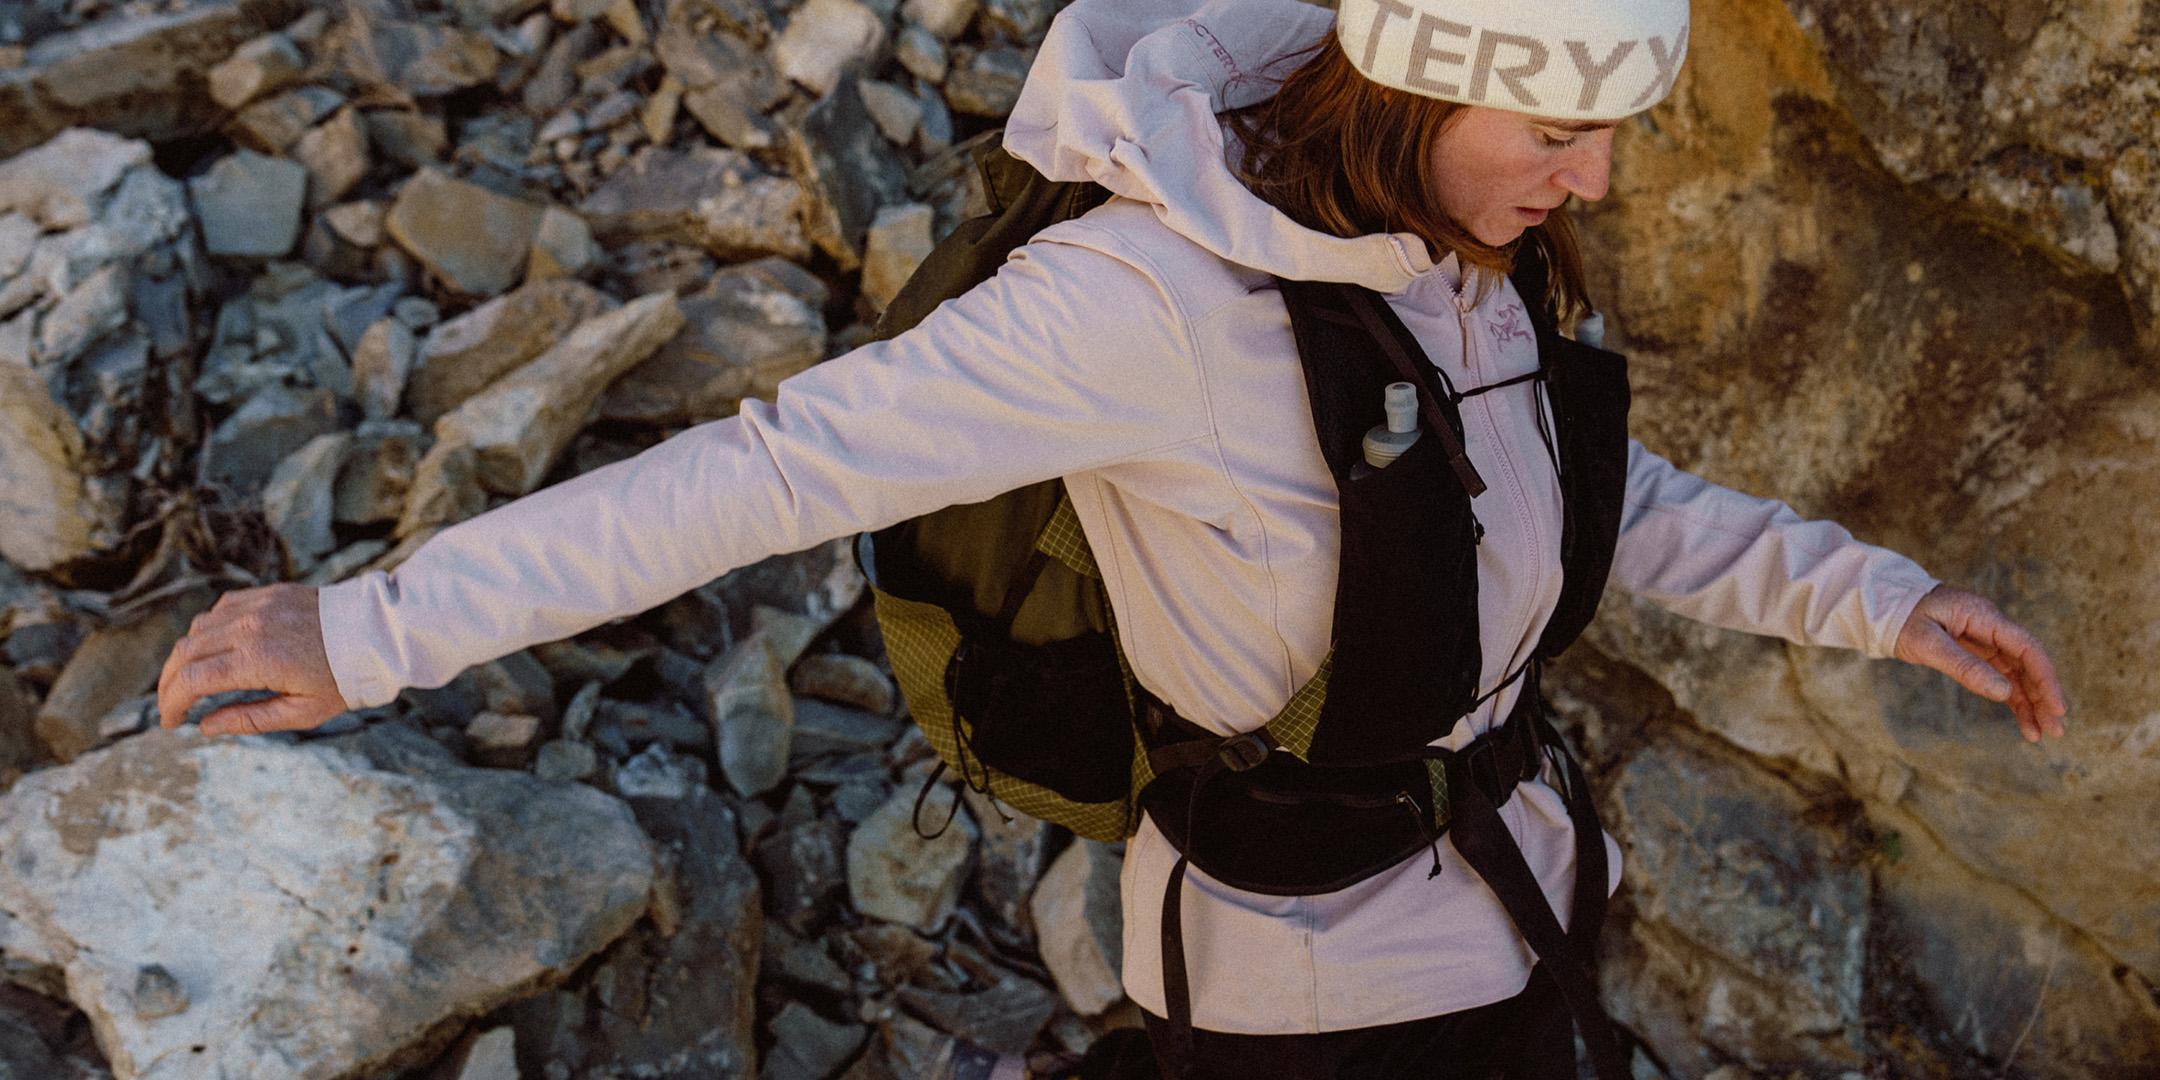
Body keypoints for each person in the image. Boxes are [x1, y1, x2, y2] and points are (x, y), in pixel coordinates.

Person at [156, 0, 2069, 1076]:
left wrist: (1884, 605)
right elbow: (763, 473)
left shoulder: (1454, 228)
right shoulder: (1144, 305)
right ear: (1407, 76)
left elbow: (1576, 495)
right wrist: (370, 631)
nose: (1598, 182)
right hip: (1317, 989)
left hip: (1521, 885)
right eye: (1559, 138)